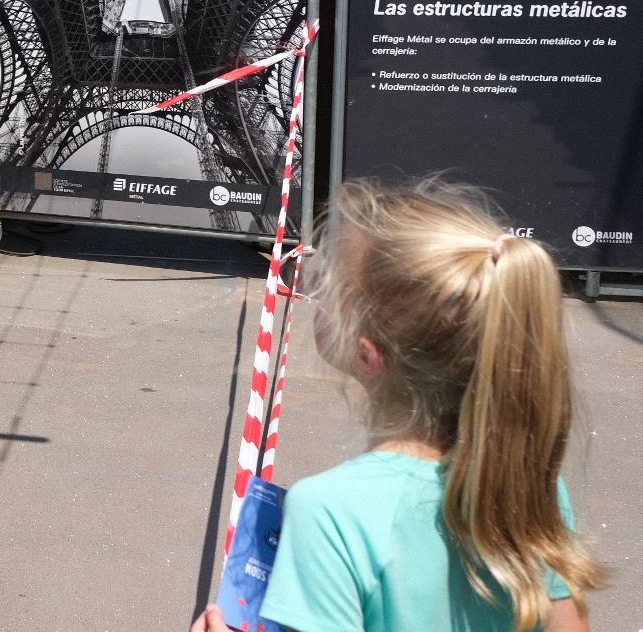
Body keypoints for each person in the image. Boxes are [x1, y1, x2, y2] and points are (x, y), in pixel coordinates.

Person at [193, 178, 604, 632]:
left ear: (369, 355)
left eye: (328, 284)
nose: (315, 290)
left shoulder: (329, 512)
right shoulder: (530, 484)